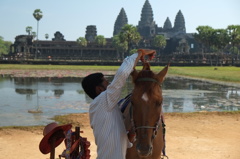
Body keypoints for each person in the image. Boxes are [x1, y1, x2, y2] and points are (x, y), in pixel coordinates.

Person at [81, 49, 156, 159]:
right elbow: (122, 74)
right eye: (107, 83)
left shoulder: (103, 108)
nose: (111, 85)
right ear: (99, 89)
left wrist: (130, 136)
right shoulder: (103, 100)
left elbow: (115, 141)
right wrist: (139, 53)